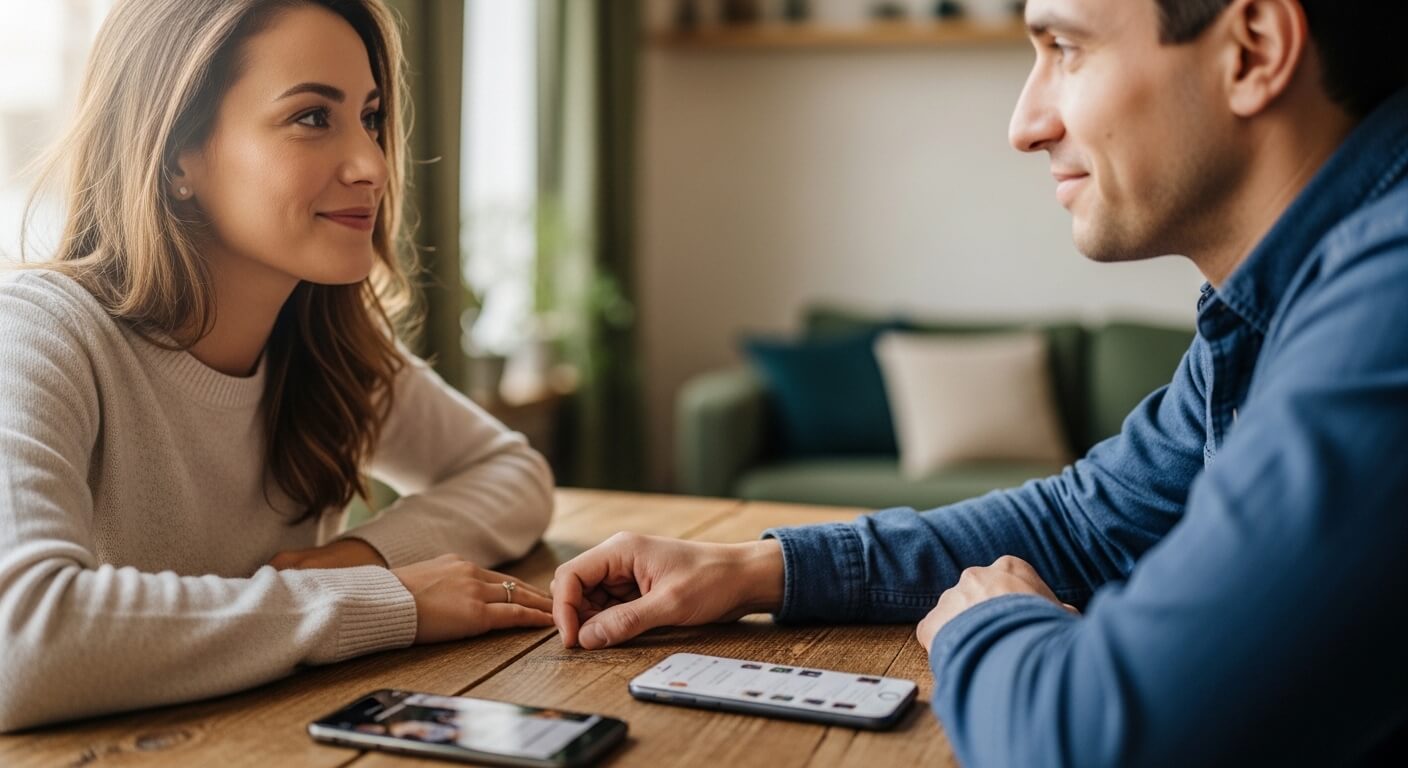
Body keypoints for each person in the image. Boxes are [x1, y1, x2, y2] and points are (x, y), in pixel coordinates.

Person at [551, 0, 1408, 764]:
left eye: (1066, 48)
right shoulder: (1276, 303)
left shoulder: (1389, 298)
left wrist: (986, 624)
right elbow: (1087, 524)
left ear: (1253, 49)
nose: (1025, 123)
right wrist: (754, 569)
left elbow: (1106, 737)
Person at [0, 0, 556, 732]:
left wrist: (365, 555)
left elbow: (514, 474)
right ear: (176, 159)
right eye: (312, 118)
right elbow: (20, 640)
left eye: (370, 117)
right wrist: (384, 603)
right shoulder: (38, 332)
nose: (372, 165)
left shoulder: (325, 344)